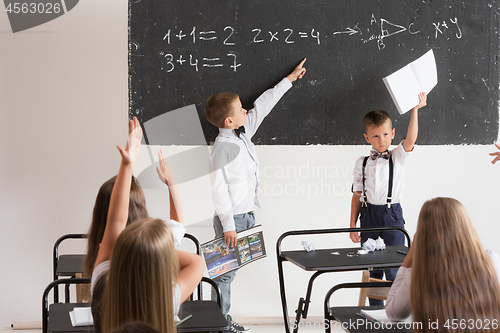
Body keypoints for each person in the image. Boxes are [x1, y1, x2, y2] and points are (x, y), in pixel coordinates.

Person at [205, 58, 307, 332]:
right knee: (225, 274)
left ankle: (221, 319)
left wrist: (289, 80)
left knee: (230, 271)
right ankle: (220, 324)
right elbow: (218, 191)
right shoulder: (222, 150)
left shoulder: (242, 132)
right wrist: (228, 226)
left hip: (246, 215)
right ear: (229, 120)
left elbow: (263, 105)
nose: (245, 110)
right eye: (240, 109)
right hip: (233, 220)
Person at [91, 117, 205, 333]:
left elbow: (115, 220)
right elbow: (197, 262)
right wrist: (171, 183)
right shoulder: (166, 298)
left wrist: (127, 164)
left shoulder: (103, 283)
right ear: (162, 258)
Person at [349, 92, 427, 305]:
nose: (381, 140)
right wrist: (352, 224)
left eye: (385, 135)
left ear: (392, 134)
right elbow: (357, 196)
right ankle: (375, 314)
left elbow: (411, 139)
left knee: (394, 267)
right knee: (373, 269)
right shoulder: (362, 162)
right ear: (367, 138)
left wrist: (415, 110)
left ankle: (395, 313)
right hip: (368, 216)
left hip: (392, 215)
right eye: (375, 136)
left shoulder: (398, 157)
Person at [386, 197, 500, 332]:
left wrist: (411, 255)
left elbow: (393, 313)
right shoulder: (491, 260)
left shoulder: (420, 274)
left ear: (423, 234)